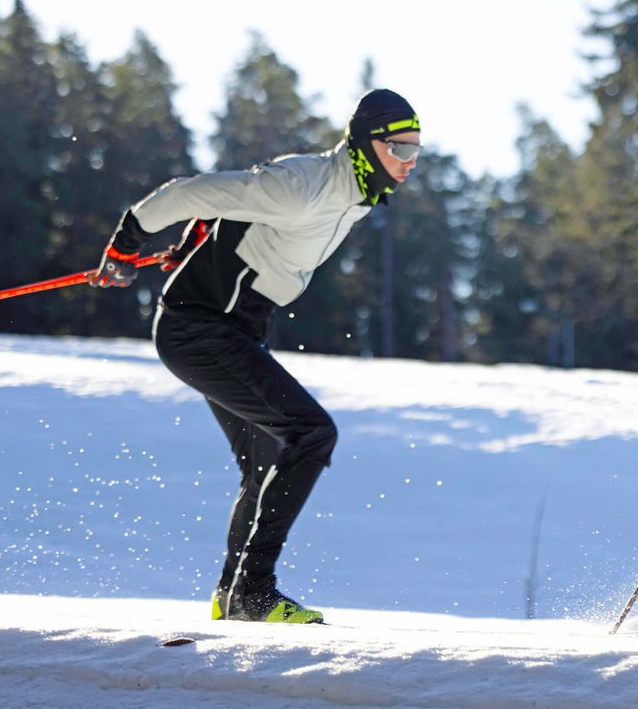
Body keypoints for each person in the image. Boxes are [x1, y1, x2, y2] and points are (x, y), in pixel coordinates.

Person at [90, 88, 423, 624]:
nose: (409, 163)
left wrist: (205, 235)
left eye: (416, 152)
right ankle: (254, 592)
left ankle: (233, 595)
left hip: (237, 327)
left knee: (267, 459)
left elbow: (238, 216)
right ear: (365, 143)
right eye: (399, 149)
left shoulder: (357, 192)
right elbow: (192, 191)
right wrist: (127, 241)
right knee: (313, 433)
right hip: (198, 326)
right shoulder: (304, 186)